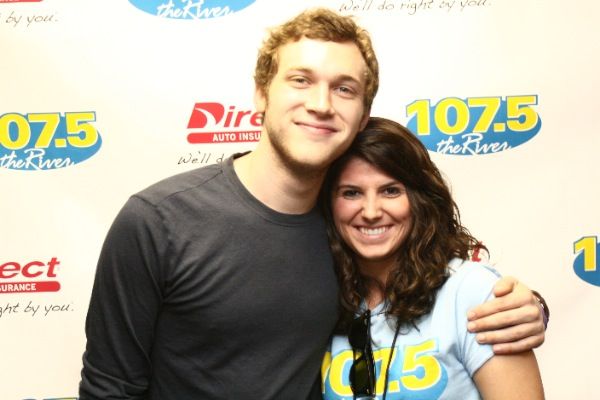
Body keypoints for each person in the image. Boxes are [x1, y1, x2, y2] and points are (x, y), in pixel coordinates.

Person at [79, 8, 547, 400]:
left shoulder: (349, 229)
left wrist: (529, 308)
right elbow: (109, 388)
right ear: (261, 94)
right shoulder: (158, 221)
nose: (321, 103)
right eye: (301, 80)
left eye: (344, 88)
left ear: (362, 115)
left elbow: (433, 282)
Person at [320, 117, 545, 399]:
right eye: (351, 193)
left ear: (420, 199)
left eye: (391, 191)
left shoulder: (470, 292)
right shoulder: (320, 297)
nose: (371, 212)